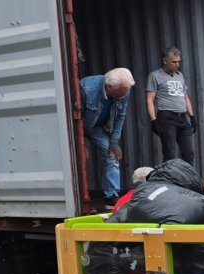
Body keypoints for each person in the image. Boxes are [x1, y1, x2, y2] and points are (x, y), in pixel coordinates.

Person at [80, 68, 135, 206]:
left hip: (95, 128)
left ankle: (112, 196)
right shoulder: (87, 88)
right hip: (78, 127)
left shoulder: (124, 90)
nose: (124, 96)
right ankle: (80, 198)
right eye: (120, 93)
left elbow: (120, 117)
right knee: (79, 159)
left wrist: (114, 142)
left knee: (111, 155)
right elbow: (73, 118)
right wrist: (80, 143)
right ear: (109, 87)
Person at [146, 47, 197, 164]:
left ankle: (188, 180)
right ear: (165, 61)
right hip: (166, 118)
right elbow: (149, 100)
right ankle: (170, 181)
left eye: (179, 61)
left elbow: (185, 97)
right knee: (170, 153)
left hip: (183, 118)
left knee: (189, 153)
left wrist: (192, 116)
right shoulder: (155, 76)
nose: (177, 64)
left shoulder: (180, 75)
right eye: (174, 62)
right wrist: (153, 120)